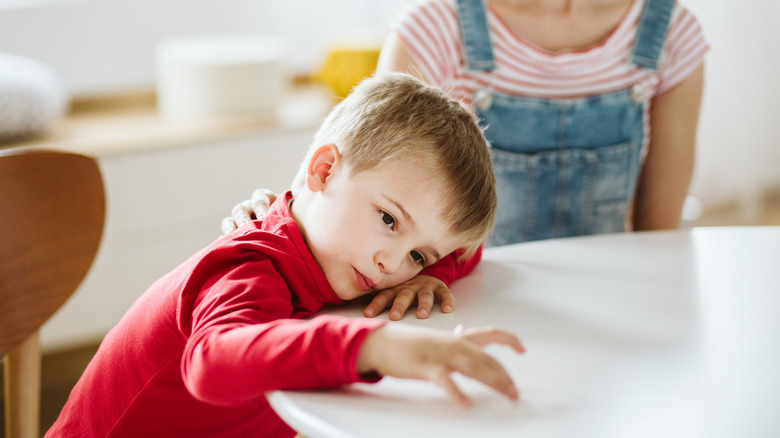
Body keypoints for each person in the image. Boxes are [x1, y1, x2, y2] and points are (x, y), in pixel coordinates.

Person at [46, 73, 524, 438]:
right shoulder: (252, 265)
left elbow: (466, 248)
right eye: (388, 220)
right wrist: (374, 346)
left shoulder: (346, 255)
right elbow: (213, 362)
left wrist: (431, 268)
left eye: (417, 254)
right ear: (324, 169)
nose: (391, 266)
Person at [222, 0, 708, 321]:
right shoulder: (437, 26)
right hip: (470, 303)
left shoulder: (669, 33)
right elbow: (353, 170)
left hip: (609, 303)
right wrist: (274, 212)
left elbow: (657, 235)